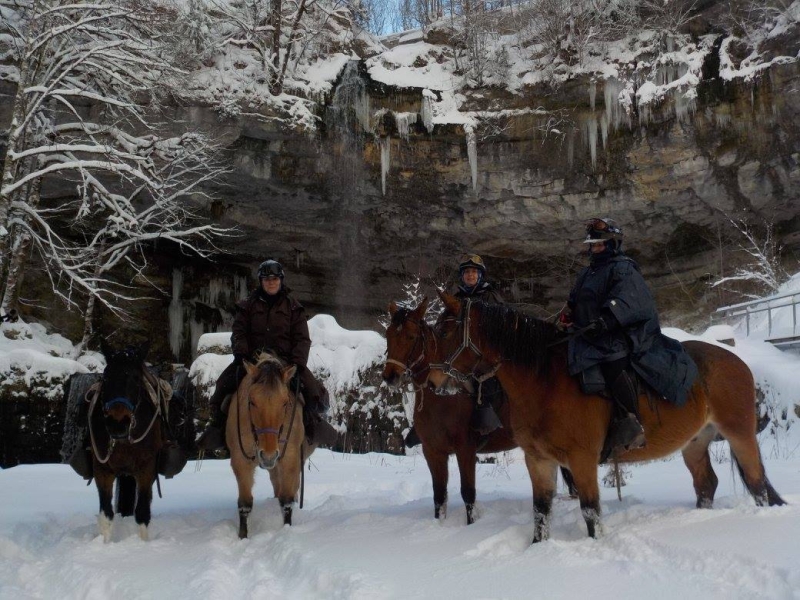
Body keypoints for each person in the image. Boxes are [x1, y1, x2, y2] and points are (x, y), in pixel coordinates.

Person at [560, 218, 698, 461]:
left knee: (613, 364)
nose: (595, 248)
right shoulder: (587, 272)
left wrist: (606, 320)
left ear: (613, 244)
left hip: (617, 335)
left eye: (600, 244)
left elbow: (630, 300)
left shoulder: (623, 268)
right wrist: (569, 312)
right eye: (593, 245)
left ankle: (630, 421)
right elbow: (576, 299)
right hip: (588, 335)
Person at [197, 259, 338, 451]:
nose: (271, 282)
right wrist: (241, 355)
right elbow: (239, 332)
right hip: (253, 361)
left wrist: (297, 363)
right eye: (266, 279)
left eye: (274, 278)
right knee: (223, 384)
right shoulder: (247, 306)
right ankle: (219, 427)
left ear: (280, 280)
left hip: (286, 362)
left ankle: (311, 424)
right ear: (261, 281)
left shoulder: (294, 307)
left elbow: (302, 339)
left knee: (312, 390)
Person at [404, 255, 503, 449]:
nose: (470, 275)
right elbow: (443, 326)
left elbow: (501, 324)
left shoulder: (491, 296)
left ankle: (483, 427)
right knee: (431, 378)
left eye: (474, 272)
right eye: (467, 272)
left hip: (484, 353)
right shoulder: (455, 298)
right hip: (457, 354)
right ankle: (423, 425)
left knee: (485, 383)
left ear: (480, 275)